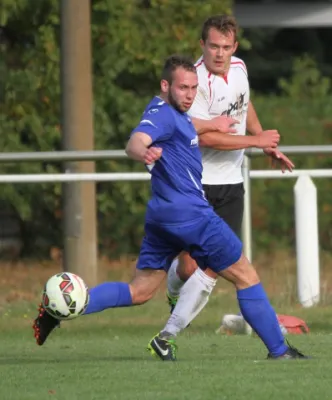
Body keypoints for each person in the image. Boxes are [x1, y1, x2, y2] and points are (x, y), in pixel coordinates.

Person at [33, 54, 307, 362]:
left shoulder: (174, 113)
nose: (190, 95)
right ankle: (280, 351)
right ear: (166, 85)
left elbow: (186, 125)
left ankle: (61, 309)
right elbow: (134, 142)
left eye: (193, 88)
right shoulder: (161, 116)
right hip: (191, 215)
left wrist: (214, 123)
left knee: (140, 291)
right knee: (245, 273)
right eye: (183, 88)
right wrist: (144, 152)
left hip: (162, 218)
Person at [165, 15, 295, 318]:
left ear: (234, 46)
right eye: (213, 46)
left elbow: (244, 103)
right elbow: (208, 138)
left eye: (226, 46)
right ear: (202, 45)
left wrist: (267, 145)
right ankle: (173, 290)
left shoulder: (239, 68)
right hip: (194, 182)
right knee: (189, 265)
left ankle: (171, 332)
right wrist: (255, 140)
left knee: (216, 262)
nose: (220, 53)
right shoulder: (193, 81)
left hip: (231, 183)